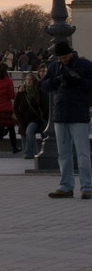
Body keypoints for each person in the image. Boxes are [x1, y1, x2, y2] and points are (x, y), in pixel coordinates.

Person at [41, 41, 92, 199]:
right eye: (60, 58)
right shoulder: (55, 67)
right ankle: (66, 186)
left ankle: (86, 186)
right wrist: (54, 81)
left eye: (64, 57)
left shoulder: (85, 65)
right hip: (61, 114)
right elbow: (44, 85)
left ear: (71, 53)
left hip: (78, 114)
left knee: (82, 153)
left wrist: (78, 82)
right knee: (63, 154)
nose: (62, 60)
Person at [14, 72, 49, 159]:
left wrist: (44, 116)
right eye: (27, 80)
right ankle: (35, 152)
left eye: (30, 80)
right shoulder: (21, 92)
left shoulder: (39, 92)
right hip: (23, 118)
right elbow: (15, 107)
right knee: (25, 136)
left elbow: (44, 106)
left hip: (35, 118)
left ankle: (28, 153)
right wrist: (19, 119)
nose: (28, 81)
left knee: (29, 131)